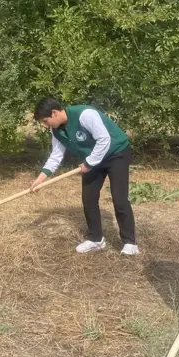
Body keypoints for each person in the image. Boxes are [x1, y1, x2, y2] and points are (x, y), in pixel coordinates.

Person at [31, 97, 139, 255]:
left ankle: (130, 243)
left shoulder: (85, 115)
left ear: (54, 113)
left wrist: (89, 163)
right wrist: (40, 179)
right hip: (92, 159)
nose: (45, 125)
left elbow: (104, 139)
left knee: (119, 198)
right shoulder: (56, 130)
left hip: (116, 154)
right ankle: (96, 239)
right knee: (89, 198)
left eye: (45, 121)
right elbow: (56, 156)